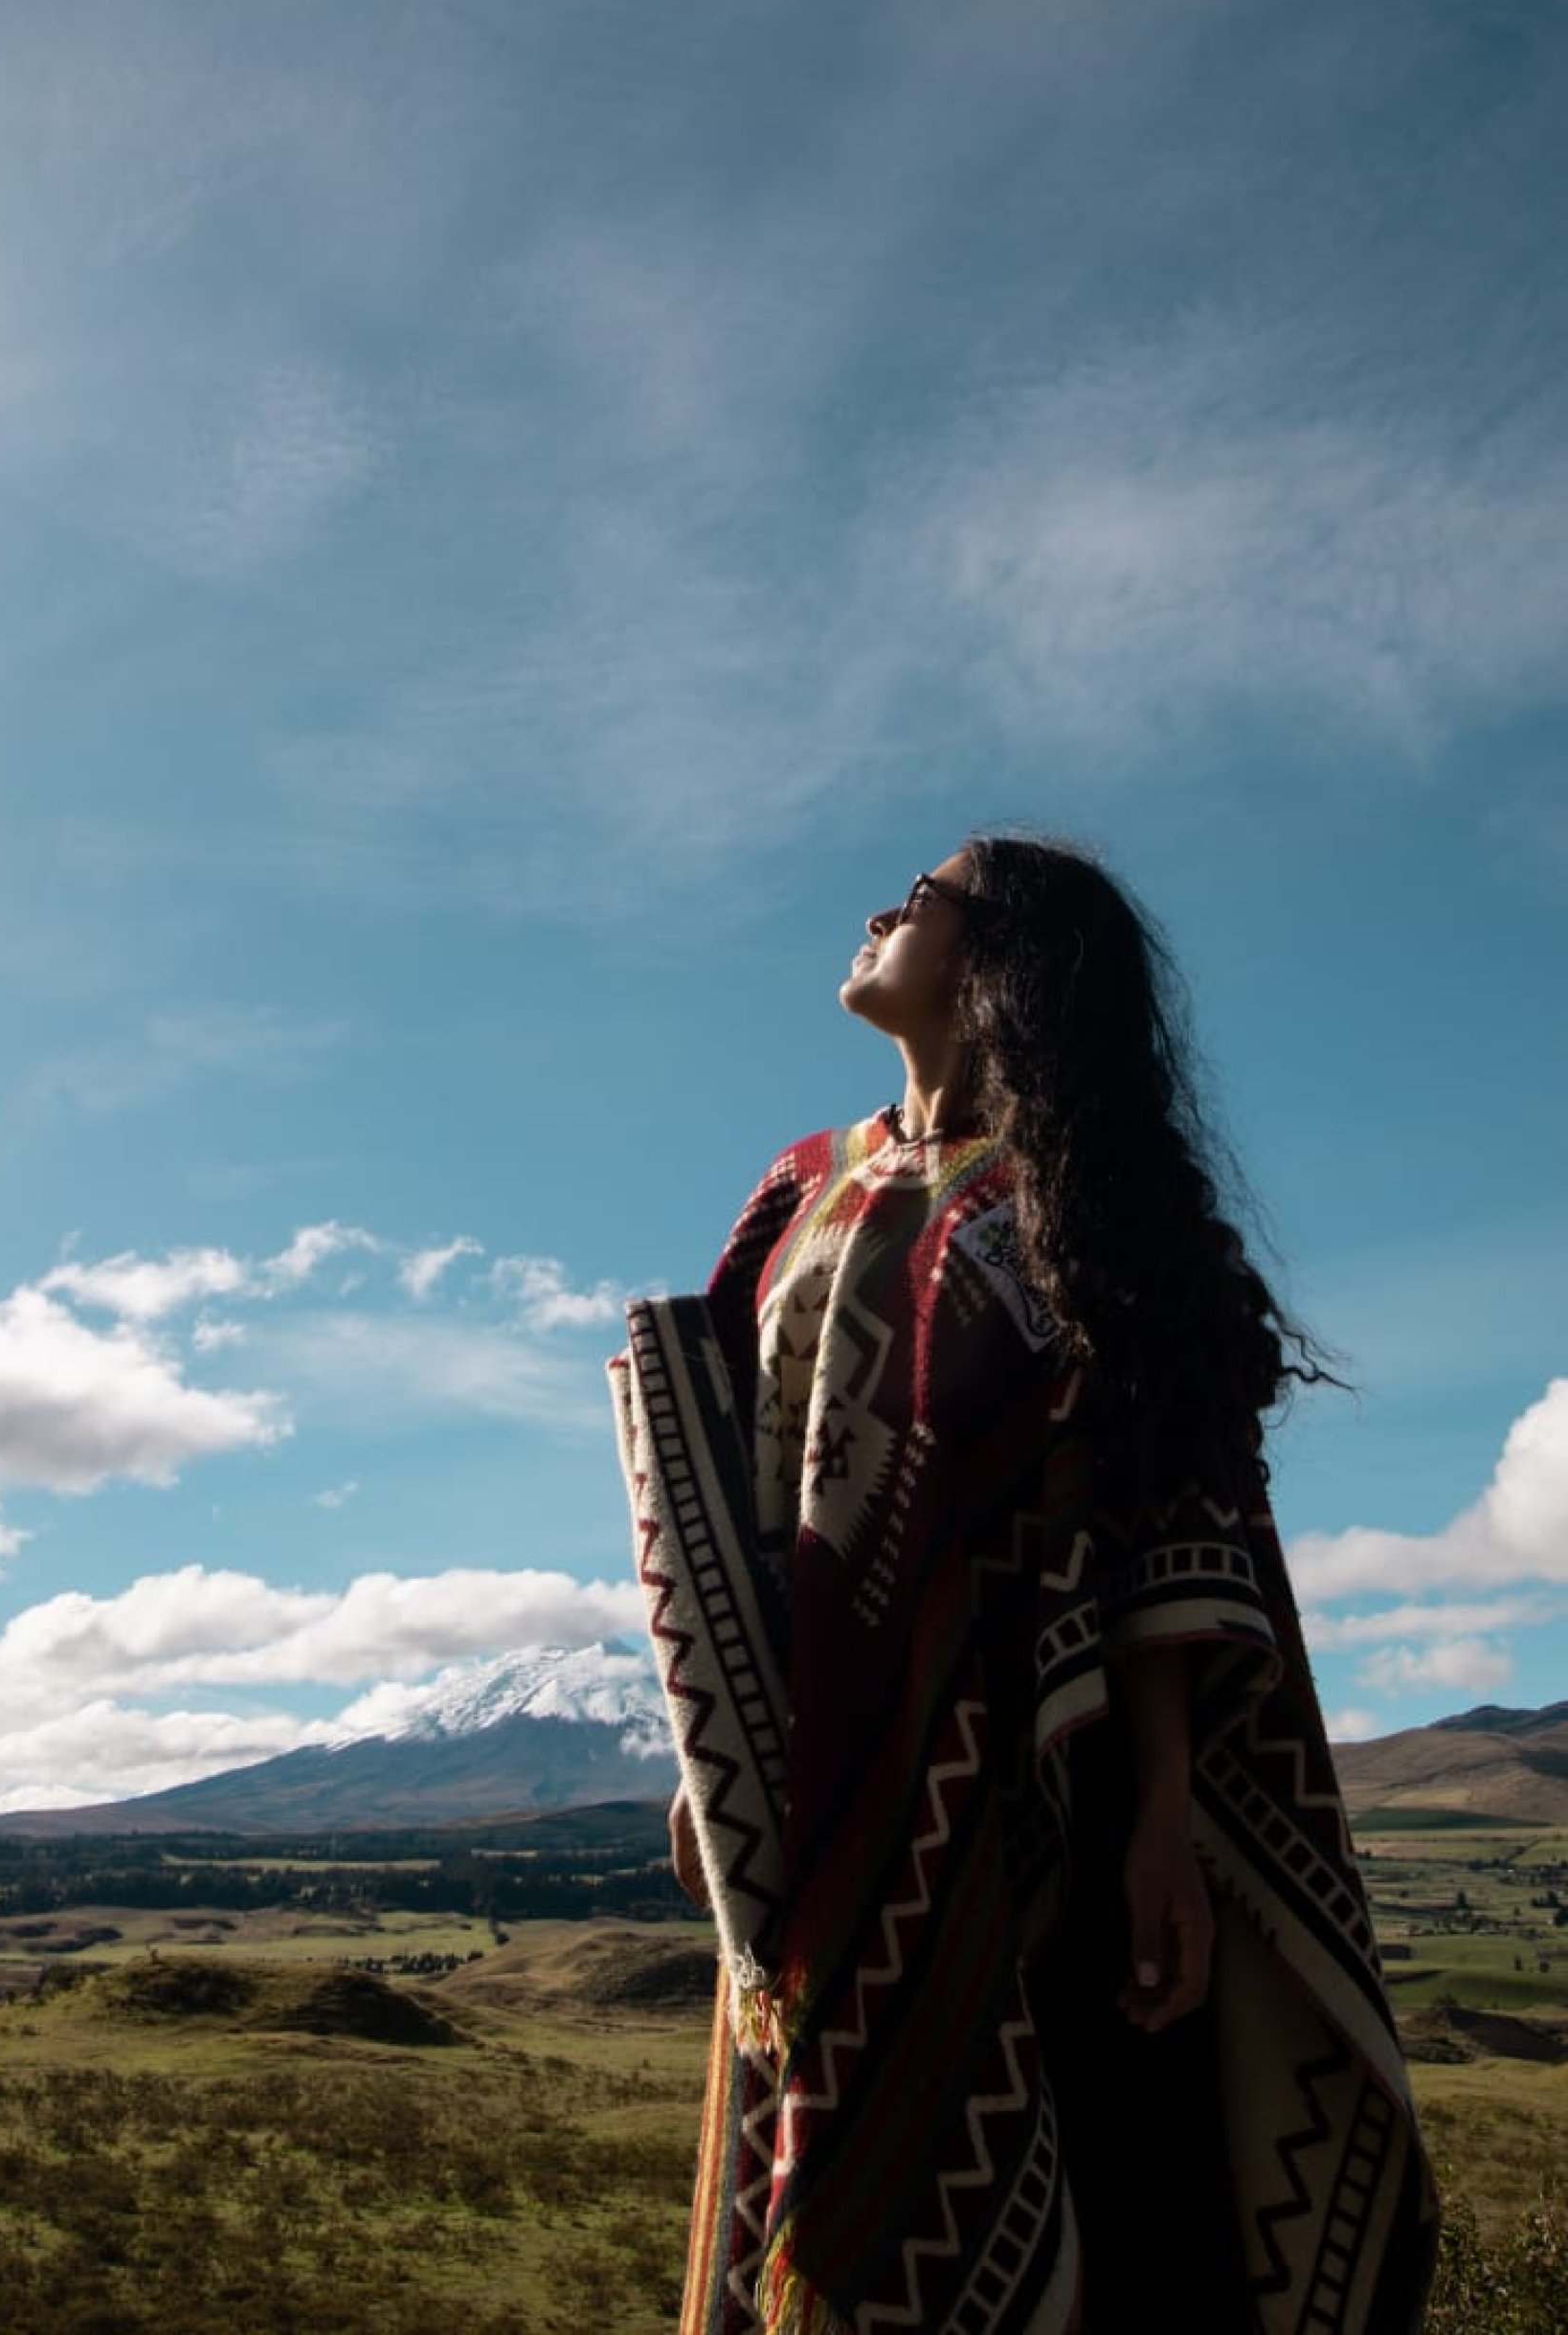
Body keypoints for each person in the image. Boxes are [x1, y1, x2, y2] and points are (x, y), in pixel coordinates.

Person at [611, 836, 1435, 2335]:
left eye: (921, 898)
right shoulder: (799, 1191)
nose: (877, 910)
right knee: (817, 2164)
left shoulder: (1079, 1209)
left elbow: (1167, 1507)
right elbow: (736, 1483)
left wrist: (1169, 1813)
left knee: (1097, 2184)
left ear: (1005, 964)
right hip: (819, 1787)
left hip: (1042, 1784)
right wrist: (714, 1746)